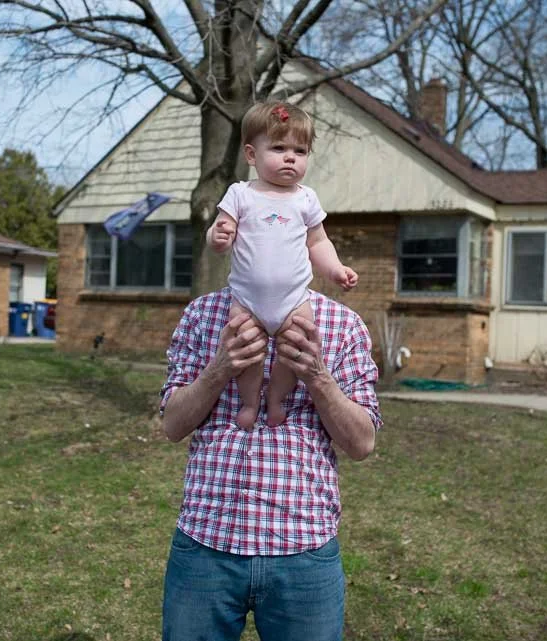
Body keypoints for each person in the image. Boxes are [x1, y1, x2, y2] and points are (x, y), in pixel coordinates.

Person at [159, 286, 382, 641]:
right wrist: (219, 368)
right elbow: (172, 425)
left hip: (304, 550)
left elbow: (362, 443)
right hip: (206, 544)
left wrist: (317, 375)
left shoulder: (343, 323)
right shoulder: (202, 316)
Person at [206, 101, 359, 430]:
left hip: (294, 299)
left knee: (295, 351)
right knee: (247, 353)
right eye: (278, 148)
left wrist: (334, 270)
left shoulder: (305, 198)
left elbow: (318, 242)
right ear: (251, 155)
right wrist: (218, 236)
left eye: (300, 151)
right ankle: (250, 403)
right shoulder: (240, 194)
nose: (290, 156)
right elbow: (220, 228)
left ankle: (275, 401)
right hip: (247, 299)